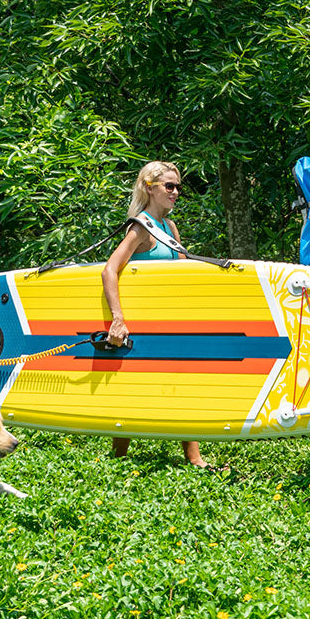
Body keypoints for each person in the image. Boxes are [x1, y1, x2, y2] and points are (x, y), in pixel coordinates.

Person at [101, 160, 222, 470]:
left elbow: (182, 274)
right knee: (133, 389)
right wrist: (118, 318)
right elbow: (110, 270)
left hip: (170, 321)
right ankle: (117, 460)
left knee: (183, 382)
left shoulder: (169, 228)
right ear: (148, 188)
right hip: (142, 322)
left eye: (178, 186)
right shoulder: (140, 228)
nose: (176, 192)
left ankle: (193, 458)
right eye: (169, 186)